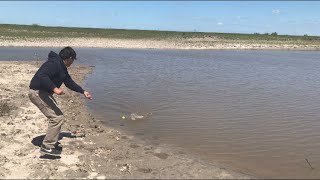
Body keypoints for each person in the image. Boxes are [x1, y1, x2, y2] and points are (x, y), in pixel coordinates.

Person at [28, 47, 92, 156]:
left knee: (58, 116)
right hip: (37, 92)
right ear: (70, 58)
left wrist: (83, 91)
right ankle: (47, 147)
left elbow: (69, 82)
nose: (73, 62)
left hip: (44, 93)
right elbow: (42, 75)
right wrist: (55, 88)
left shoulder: (61, 67)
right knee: (56, 118)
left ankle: (51, 143)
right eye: (73, 60)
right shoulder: (54, 64)